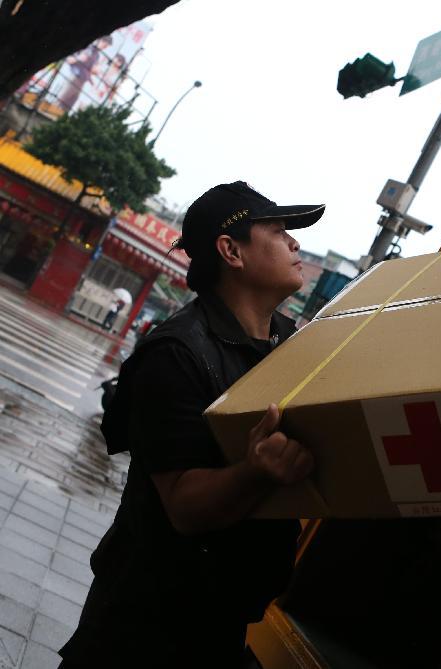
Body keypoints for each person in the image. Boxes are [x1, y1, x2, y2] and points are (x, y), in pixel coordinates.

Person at [59, 182, 326, 668]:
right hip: (141, 629)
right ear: (231, 250)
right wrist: (257, 470)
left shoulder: (291, 344)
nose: (295, 243)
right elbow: (183, 505)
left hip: (225, 621)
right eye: (279, 229)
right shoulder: (176, 352)